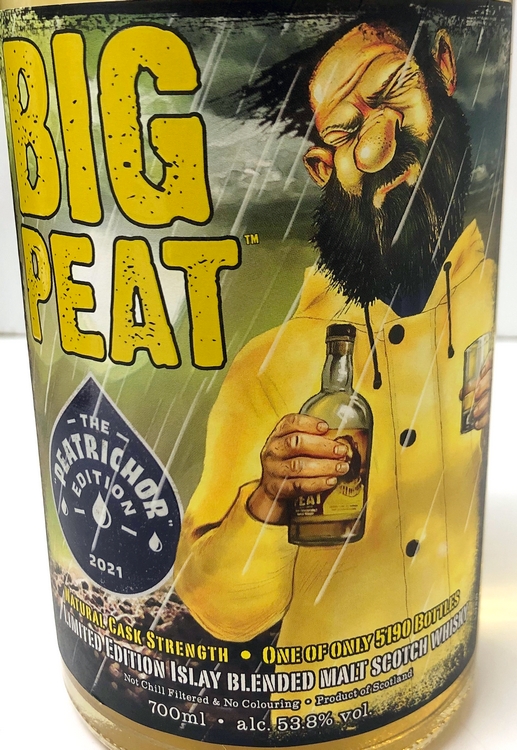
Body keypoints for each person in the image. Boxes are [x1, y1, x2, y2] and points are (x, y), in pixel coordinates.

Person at [175, 13, 494, 728]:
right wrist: (267, 502)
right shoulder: (270, 364)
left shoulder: (487, 296)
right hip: (316, 711)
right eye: (346, 134)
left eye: (390, 90)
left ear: (442, 68)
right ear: (323, 168)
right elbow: (218, 609)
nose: (377, 148)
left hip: (450, 658)